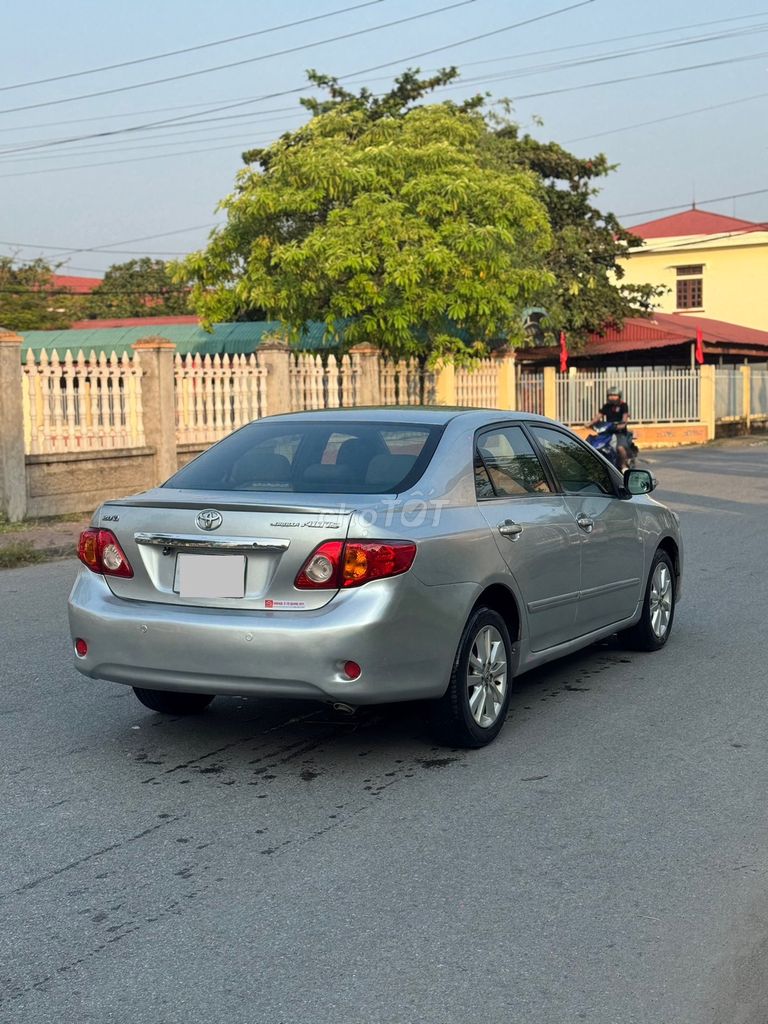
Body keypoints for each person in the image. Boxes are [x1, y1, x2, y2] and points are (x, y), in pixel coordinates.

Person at [591, 388, 632, 470]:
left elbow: (625, 416)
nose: (612, 397)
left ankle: (623, 466)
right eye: (610, 395)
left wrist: (622, 424)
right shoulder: (606, 406)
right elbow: (598, 416)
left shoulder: (623, 405)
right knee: (596, 445)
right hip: (608, 431)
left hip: (619, 431)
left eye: (615, 395)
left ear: (619, 396)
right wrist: (590, 423)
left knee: (620, 448)